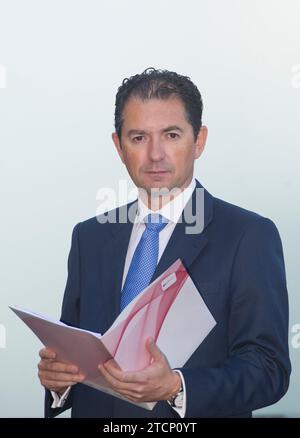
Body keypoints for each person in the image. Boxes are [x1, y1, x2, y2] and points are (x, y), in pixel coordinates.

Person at [38, 68, 291, 418]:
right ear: (119, 146)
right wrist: (58, 381)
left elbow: (268, 370)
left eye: (171, 135)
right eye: (139, 138)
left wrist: (176, 386)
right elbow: (74, 352)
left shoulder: (248, 236)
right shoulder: (89, 237)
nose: (155, 154)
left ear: (198, 140)